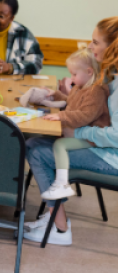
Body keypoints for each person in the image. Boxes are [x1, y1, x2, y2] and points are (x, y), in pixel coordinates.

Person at [25, 17, 118, 245]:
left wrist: (79, 134)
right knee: (35, 143)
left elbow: (116, 136)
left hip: (111, 158)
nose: (90, 46)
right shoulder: (111, 77)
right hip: (102, 149)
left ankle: (60, 229)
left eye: (96, 42)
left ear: (113, 47)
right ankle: (52, 217)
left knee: (37, 151)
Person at [37, 49, 110, 200]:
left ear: (89, 72)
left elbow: (85, 116)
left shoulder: (96, 91)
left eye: (74, 74)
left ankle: (62, 184)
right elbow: (71, 103)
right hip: (79, 132)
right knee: (51, 140)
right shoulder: (79, 87)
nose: (72, 78)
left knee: (60, 145)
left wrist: (61, 116)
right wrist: (56, 94)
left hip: (91, 138)